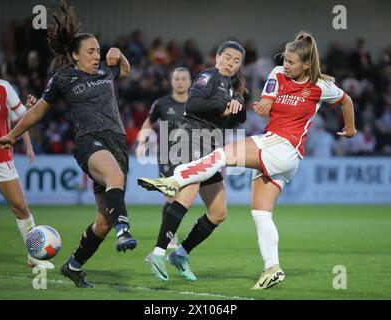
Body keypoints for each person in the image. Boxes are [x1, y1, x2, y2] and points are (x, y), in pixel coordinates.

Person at [138, 31, 356, 289]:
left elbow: (347, 100)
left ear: (306, 64)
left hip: (283, 148)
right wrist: (260, 104)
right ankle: (271, 268)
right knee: (259, 214)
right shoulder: (276, 73)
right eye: (284, 60)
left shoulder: (321, 86)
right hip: (272, 149)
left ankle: (173, 181)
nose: (285, 65)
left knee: (222, 156)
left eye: (291, 62)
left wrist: (350, 129)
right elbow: (267, 98)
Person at [0, 0, 136, 288]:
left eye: (98, 50)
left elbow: (127, 71)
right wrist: (14, 134)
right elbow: (37, 111)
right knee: (115, 177)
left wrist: (118, 56)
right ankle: (124, 229)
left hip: (117, 143)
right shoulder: (63, 78)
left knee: (102, 221)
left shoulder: (104, 73)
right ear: (74, 55)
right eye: (90, 51)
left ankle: (73, 265)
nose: (96, 55)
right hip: (89, 142)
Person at [139, 40, 247, 282]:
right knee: (186, 196)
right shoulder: (209, 75)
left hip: (211, 147)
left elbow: (241, 118)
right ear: (217, 57)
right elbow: (193, 103)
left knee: (218, 212)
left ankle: (181, 253)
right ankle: (157, 253)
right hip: (191, 139)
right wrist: (224, 104)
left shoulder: (231, 87)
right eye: (227, 57)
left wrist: (238, 104)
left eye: (236, 60)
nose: (231, 63)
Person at [0, 69, 54, 269]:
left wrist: (29, 109)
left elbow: (22, 117)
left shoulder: (3, 88)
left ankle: (34, 256)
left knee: (20, 207)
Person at [135, 67, 192, 249]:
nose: (181, 81)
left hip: (191, 155)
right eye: (177, 79)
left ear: (190, 82)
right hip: (167, 155)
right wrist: (142, 142)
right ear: (172, 82)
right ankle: (170, 235)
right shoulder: (162, 103)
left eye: (184, 78)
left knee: (183, 198)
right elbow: (148, 121)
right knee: (170, 195)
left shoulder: (196, 103)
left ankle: (170, 231)